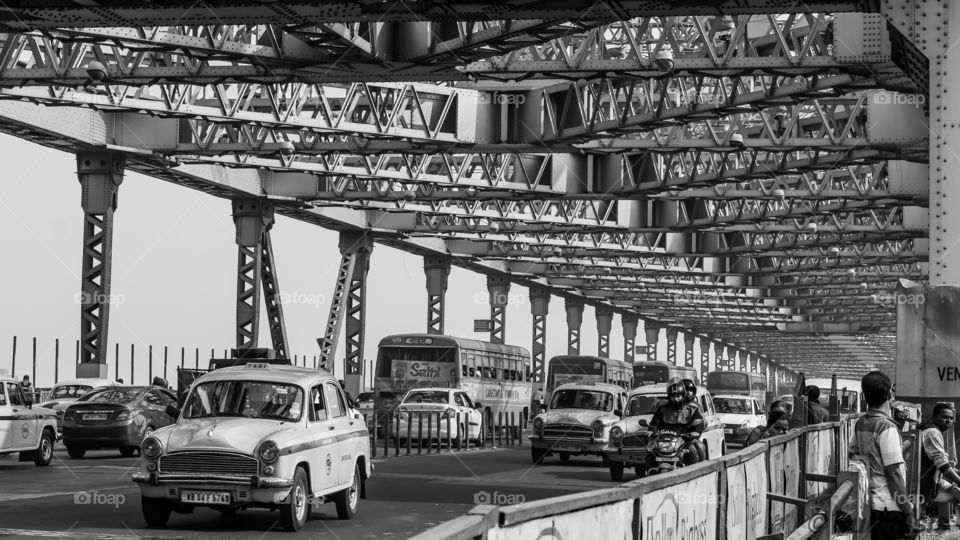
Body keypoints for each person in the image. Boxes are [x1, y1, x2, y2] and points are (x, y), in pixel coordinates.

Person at [849, 371, 919, 539]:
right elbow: (893, 473)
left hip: (870, 504)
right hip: (889, 507)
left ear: (865, 397)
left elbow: (855, 453)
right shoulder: (886, 427)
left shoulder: (861, 423)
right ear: (889, 394)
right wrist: (909, 512)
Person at [646, 378, 704, 470]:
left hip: (685, 441)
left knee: (693, 451)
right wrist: (652, 429)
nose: (676, 399)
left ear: (683, 395)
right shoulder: (662, 408)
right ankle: (650, 474)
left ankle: (694, 474)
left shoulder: (692, 409)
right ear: (669, 396)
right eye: (673, 396)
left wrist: (696, 432)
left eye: (678, 396)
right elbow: (654, 422)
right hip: (664, 441)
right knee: (650, 454)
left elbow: (698, 422)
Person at [919, 403, 960, 528]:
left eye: (951, 418)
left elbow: (940, 467)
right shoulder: (932, 432)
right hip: (922, 487)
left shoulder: (931, 429)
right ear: (935, 417)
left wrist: (952, 483)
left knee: (957, 493)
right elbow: (942, 465)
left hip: (933, 483)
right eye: (945, 417)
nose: (948, 421)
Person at [681, 379, 707, 462]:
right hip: (671, 436)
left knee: (699, 447)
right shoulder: (668, 405)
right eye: (687, 390)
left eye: (691, 390)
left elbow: (703, 421)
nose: (689, 393)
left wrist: (696, 431)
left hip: (688, 437)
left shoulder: (695, 406)